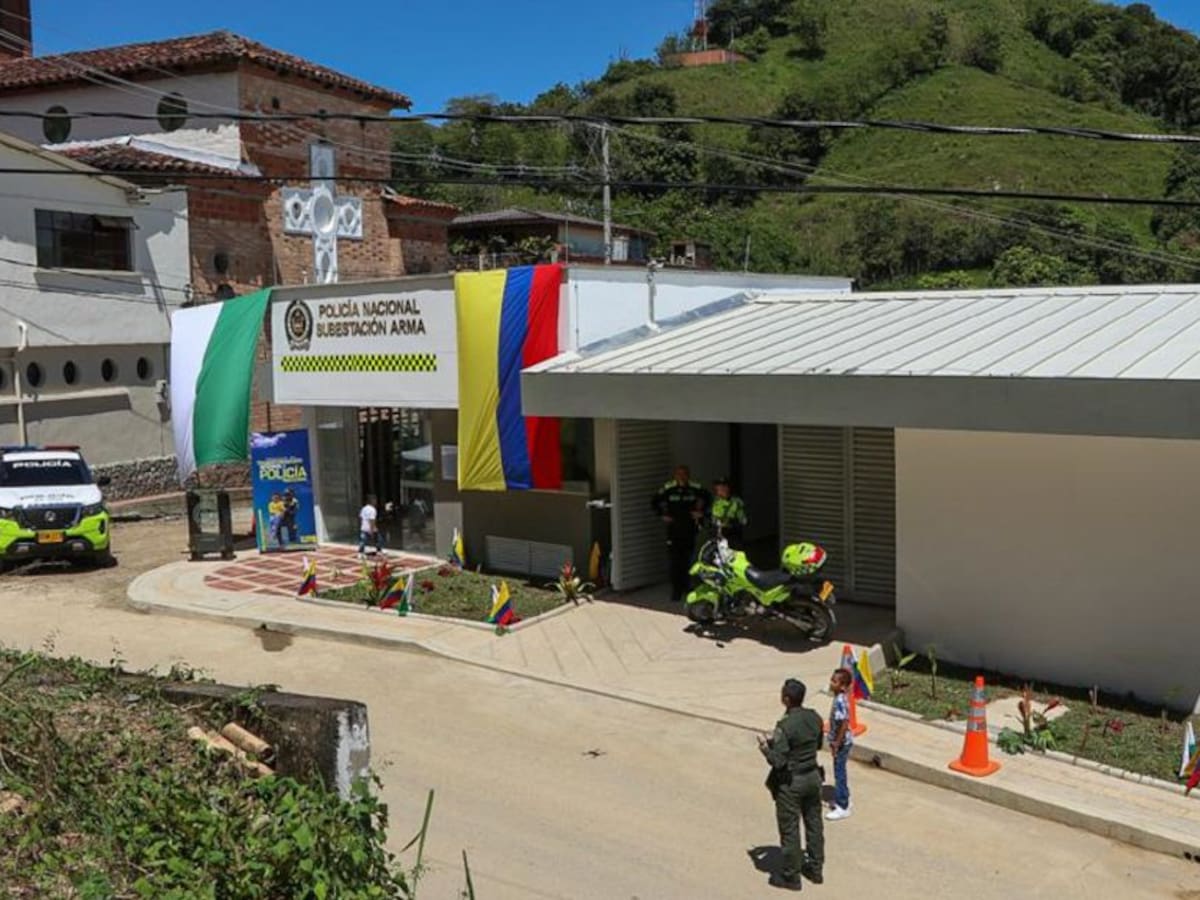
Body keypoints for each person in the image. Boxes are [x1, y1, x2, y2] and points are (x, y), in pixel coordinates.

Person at [758, 678, 825, 890]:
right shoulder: (814, 718)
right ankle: (815, 869)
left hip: (792, 782)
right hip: (813, 777)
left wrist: (765, 748)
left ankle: (791, 876)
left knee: (790, 828)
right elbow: (817, 744)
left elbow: (778, 761)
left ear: (786, 699)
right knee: (814, 823)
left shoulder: (785, 726)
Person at [650, 465, 707, 602]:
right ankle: (676, 589)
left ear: (688, 475)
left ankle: (687, 586)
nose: (681, 477)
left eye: (684, 474)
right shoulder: (669, 488)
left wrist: (701, 513)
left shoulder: (695, 487)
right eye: (679, 474)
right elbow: (654, 502)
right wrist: (662, 515)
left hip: (689, 529)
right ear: (675, 476)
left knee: (688, 559)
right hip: (674, 530)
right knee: (675, 560)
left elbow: (708, 499)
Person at [826, 668, 854, 821]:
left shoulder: (840, 700)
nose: (831, 683)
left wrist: (837, 742)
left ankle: (842, 806)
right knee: (839, 770)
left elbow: (844, 723)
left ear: (843, 686)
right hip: (839, 741)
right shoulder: (838, 698)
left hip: (842, 743)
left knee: (839, 773)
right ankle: (843, 797)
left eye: (834, 681)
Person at [710, 476, 747, 547]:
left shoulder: (736, 501)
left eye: (723, 487)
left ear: (728, 488)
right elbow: (712, 518)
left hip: (732, 536)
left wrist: (731, 522)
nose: (720, 491)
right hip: (718, 536)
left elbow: (744, 520)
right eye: (718, 489)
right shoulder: (715, 502)